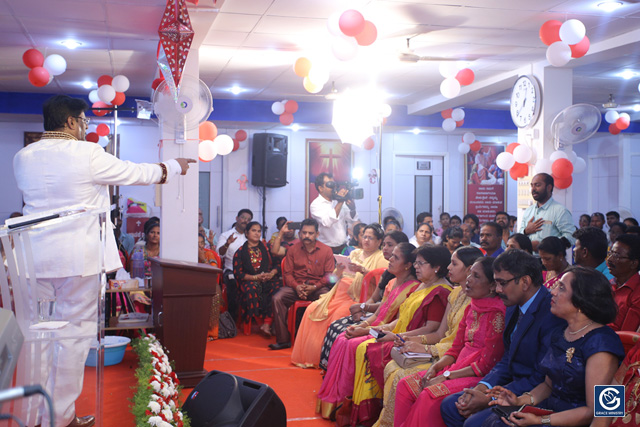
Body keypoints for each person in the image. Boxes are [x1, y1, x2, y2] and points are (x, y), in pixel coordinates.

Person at [12, 94, 194, 427]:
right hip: (77, 260)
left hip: (32, 261)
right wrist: (173, 167)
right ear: (70, 122)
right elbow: (134, 173)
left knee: (40, 340)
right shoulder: (87, 153)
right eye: (83, 122)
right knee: (74, 339)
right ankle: (61, 418)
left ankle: (34, 416)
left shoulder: (23, 157)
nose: (85, 128)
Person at [483, 266, 624, 427]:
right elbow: (548, 385)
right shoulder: (561, 333)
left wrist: (541, 420)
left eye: (561, 288)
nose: (552, 291)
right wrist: (519, 400)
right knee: (496, 421)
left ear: (581, 299)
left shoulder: (603, 343)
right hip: (551, 411)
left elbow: (599, 412)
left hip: (577, 421)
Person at [439, 249, 565, 427]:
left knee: (474, 423)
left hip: (537, 397)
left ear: (525, 282)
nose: (497, 290)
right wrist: (482, 388)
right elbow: (507, 359)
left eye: (502, 283)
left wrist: (490, 397)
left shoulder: (553, 317)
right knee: (451, 406)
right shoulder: (513, 305)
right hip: (515, 387)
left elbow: (542, 378)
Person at [373, 246, 484, 427]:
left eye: (454, 264)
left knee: (401, 376)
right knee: (392, 366)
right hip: (444, 351)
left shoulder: (476, 302)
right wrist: (409, 341)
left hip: (453, 358)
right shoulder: (456, 293)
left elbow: (462, 345)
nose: (449, 268)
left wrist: (425, 349)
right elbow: (441, 334)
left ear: (470, 269)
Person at [394, 257, 506, 427]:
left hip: (477, 376)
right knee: (405, 386)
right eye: (470, 274)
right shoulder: (472, 306)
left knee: (428, 395)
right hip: (456, 368)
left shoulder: (498, 314)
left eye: (476, 276)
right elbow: (456, 348)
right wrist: (436, 367)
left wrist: (446, 377)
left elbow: (486, 365)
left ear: (492, 285)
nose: (468, 279)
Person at [350, 245, 452, 425]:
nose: (416, 267)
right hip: (400, 335)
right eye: (416, 263)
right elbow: (401, 317)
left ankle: (374, 414)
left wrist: (399, 336)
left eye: (421, 263)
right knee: (361, 346)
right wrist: (381, 329)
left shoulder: (441, 291)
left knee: (368, 349)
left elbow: (431, 329)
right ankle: (366, 410)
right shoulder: (422, 285)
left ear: (437, 266)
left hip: (415, 341)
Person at [316, 242, 420, 418]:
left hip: (388, 334)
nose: (390, 259)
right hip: (375, 327)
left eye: (396, 257)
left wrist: (365, 331)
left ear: (408, 265)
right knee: (342, 337)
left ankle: (346, 406)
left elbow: (396, 322)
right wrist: (362, 326)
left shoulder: (413, 288)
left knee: (352, 344)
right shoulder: (393, 282)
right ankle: (336, 402)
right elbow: (379, 313)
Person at [291, 224, 389, 367]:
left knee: (336, 317)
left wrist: (363, 271)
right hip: (337, 294)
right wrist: (339, 270)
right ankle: (312, 356)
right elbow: (333, 279)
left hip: (356, 298)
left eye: (371, 238)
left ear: (379, 241)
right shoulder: (355, 253)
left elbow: (381, 285)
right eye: (364, 237)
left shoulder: (381, 258)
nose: (366, 240)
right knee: (312, 309)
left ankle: (328, 362)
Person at [319, 231, 409, 370]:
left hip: (385, 325)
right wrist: (362, 307)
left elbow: (390, 313)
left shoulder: (407, 282)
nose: (386, 249)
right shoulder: (390, 275)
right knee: (335, 327)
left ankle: (342, 377)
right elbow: (377, 300)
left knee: (344, 333)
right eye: (385, 244)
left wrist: (365, 325)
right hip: (375, 316)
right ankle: (331, 371)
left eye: (390, 245)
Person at [270, 218, 335, 350]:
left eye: (310, 233)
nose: (307, 236)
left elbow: (329, 275)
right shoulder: (293, 250)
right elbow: (287, 274)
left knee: (326, 298)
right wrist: (297, 287)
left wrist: (315, 287)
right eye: (304, 233)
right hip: (296, 287)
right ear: (300, 233)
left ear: (317, 234)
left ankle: (319, 340)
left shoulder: (326, 250)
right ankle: (283, 340)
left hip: (317, 287)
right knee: (277, 298)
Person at [233, 221, 281, 336]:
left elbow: (278, 264)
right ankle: (260, 322)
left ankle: (267, 323)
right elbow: (238, 274)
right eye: (253, 230)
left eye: (259, 231)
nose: (257, 233)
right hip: (249, 281)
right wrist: (255, 277)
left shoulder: (267, 248)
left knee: (278, 290)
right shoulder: (240, 252)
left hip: (267, 279)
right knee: (251, 289)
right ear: (246, 233)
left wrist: (271, 274)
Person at [519, 173, 575, 252]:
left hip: (550, 261)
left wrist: (544, 246)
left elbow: (571, 237)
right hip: (528, 259)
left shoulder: (560, 211)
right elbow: (518, 237)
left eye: (537, 185)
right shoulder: (528, 211)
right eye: (532, 185)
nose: (533, 189)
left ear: (549, 187)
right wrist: (525, 231)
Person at [310, 172, 359, 254]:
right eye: (330, 185)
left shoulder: (337, 200)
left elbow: (351, 219)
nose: (334, 187)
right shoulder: (316, 204)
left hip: (343, 247)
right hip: (326, 248)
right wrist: (340, 201)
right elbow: (327, 222)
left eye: (334, 184)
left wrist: (353, 209)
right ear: (321, 188)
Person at [218, 208, 253, 322]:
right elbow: (219, 254)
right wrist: (227, 244)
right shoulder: (226, 235)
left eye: (248, 219)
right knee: (233, 285)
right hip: (231, 271)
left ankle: (251, 317)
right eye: (243, 218)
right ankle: (232, 320)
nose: (245, 221)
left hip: (248, 272)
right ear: (237, 218)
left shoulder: (251, 236)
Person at [607, 234, 640, 332]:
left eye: (616, 255)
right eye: (610, 253)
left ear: (634, 263)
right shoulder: (607, 285)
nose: (609, 259)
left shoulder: (637, 294)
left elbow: (627, 336)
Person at [198, 233, 222, 340]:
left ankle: (212, 333)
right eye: (197, 244)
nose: (200, 246)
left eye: (202, 243)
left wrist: (203, 260)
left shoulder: (208, 254)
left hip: (207, 283)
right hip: (190, 284)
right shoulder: (186, 254)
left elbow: (214, 272)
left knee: (215, 292)